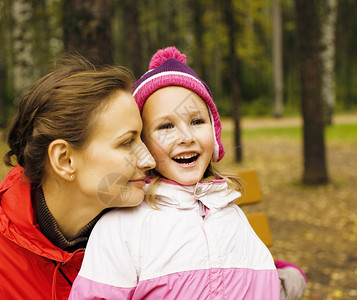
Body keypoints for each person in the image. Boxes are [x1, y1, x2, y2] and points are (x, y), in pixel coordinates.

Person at [70, 47, 282, 299]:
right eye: (166, 126)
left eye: (197, 121)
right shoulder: (123, 226)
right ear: (143, 143)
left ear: (214, 133)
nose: (186, 137)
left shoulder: (229, 211)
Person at [0, 54, 155, 299]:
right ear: (64, 160)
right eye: (126, 142)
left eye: (141, 138)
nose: (149, 160)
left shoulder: (156, 231)